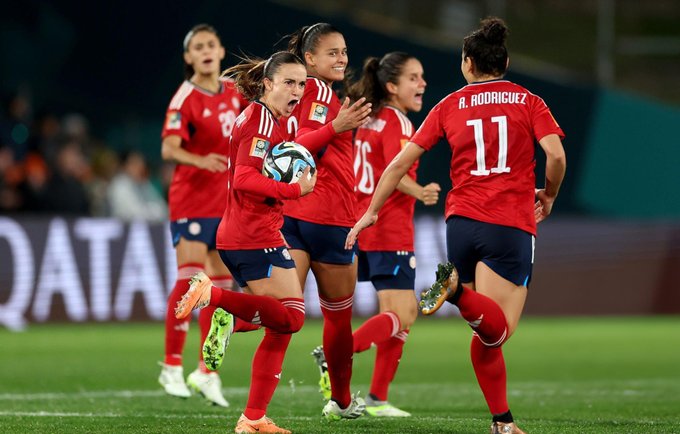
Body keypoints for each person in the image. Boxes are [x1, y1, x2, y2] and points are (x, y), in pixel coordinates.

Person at [346, 17, 566, 434]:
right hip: (509, 225)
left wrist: (370, 211)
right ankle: (457, 291)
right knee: (498, 333)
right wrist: (550, 194)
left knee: (484, 333)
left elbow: (398, 164)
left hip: (461, 224)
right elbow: (555, 156)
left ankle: (502, 424)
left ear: (467, 64)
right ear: (506, 60)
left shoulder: (448, 105)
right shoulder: (528, 100)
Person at [175, 51, 317, 434]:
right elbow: (243, 179)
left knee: (281, 324)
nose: (298, 91)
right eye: (289, 82)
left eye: (302, 84)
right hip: (249, 234)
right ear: (268, 83)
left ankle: (253, 418)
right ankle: (217, 300)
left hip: (259, 231)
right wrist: (292, 189)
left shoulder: (280, 123)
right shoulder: (258, 120)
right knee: (291, 317)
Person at [158, 23, 252, 408]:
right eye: (198, 47)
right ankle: (170, 366)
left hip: (226, 203)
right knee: (188, 281)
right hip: (192, 202)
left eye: (211, 44)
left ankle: (207, 372)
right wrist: (201, 159)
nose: (206, 51)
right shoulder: (185, 97)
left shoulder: (233, 93)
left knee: (219, 291)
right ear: (189, 57)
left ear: (220, 49)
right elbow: (168, 148)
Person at [283, 22, 372, 420]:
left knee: (283, 313)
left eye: (344, 51)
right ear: (309, 59)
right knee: (338, 317)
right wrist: (338, 126)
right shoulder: (317, 91)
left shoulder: (299, 91)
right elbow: (300, 142)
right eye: (333, 52)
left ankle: (223, 307)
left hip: (291, 213)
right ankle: (340, 400)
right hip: (329, 216)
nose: (342, 59)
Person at [346, 51, 441, 417]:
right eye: (414, 78)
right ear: (391, 86)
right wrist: (422, 192)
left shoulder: (370, 121)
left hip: (364, 223)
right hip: (388, 227)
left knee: (397, 314)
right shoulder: (398, 122)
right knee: (405, 313)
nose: (422, 84)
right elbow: (394, 171)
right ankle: (340, 354)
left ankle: (376, 398)